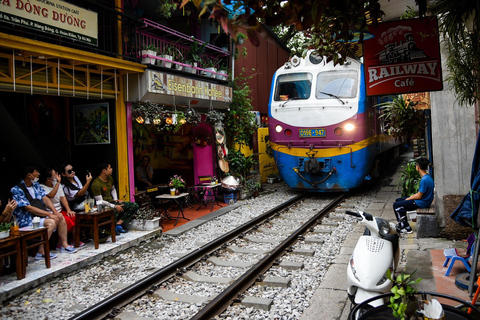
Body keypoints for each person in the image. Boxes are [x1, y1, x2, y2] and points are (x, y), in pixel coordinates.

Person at [10, 165, 75, 260]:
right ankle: (41, 251)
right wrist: (49, 214)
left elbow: (45, 198)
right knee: (51, 222)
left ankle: (64, 245)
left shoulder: (35, 186)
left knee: (60, 216)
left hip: (38, 217)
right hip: (26, 220)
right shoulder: (17, 189)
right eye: (36, 172)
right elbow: (29, 208)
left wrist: (54, 212)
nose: (38, 174)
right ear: (29, 175)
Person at [40, 168, 84, 248]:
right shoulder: (42, 187)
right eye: (54, 175)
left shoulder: (58, 185)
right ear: (48, 179)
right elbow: (51, 195)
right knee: (65, 219)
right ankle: (60, 243)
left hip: (60, 209)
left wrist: (68, 210)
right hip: (50, 211)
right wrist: (57, 183)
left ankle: (74, 239)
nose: (57, 176)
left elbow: (63, 198)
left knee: (73, 216)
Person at [91, 163, 138, 235]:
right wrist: (115, 206)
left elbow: (113, 189)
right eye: (109, 168)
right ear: (104, 170)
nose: (111, 169)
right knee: (114, 211)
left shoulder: (109, 178)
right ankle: (112, 228)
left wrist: (116, 199)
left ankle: (118, 224)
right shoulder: (96, 184)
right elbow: (100, 201)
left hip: (112, 202)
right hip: (103, 205)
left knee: (134, 205)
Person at [393, 157, 434, 234]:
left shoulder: (425, 180)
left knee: (396, 205)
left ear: (418, 167)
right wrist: (409, 198)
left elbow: (419, 196)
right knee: (398, 200)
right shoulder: (427, 177)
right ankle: (402, 224)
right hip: (424, 200)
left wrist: (409, 198)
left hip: (422, 202)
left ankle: (406, 227)